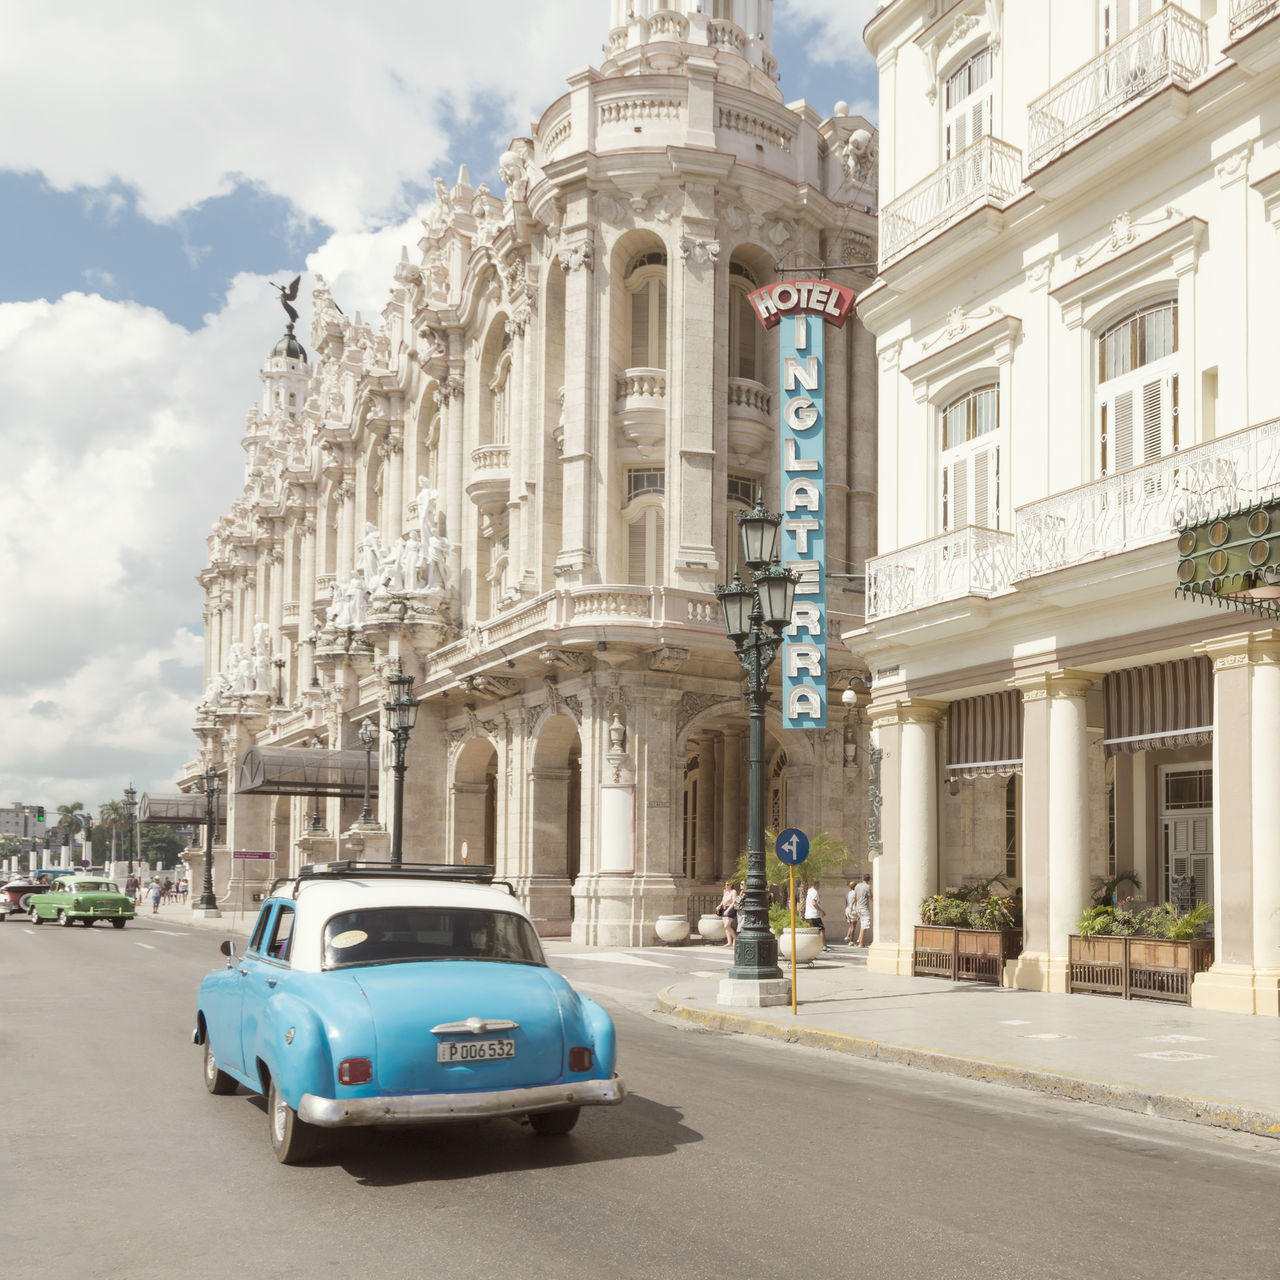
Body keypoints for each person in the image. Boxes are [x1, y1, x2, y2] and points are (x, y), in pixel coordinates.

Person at [804, 880, 830, 951]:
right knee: (822, 930)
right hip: (814, 915)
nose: (819, 886)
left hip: (808, 915)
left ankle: (816, 946)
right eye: (818, 884)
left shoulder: (809, 890)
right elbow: (814, 903)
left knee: (812, 932)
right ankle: (824, 946)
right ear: (815, 884)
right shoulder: (815, 892)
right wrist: (821, 911)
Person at [717, 879, 739, 948]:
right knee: (725, 927)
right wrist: (719, 905)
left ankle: (736, 939)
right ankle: (729, 942)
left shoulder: (733, 891)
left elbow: (734, 902)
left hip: (731, 908)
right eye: (725, 884)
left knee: (727, 925)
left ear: (731, 885)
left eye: (727, 884)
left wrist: (728, 910)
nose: (726, 886)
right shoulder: (725, 891)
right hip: (724, 908)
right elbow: (723, 900)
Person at [853, 873, 873, 948]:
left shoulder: (857, 886)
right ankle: (860, 943)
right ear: (869, 880)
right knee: (865, 925)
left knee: (863, 924)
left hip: (858, 908)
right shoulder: (867, 887)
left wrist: (854, 907)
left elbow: (854, 897)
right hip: (864, 908)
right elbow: (870, 897)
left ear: (863, 878)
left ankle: (859, 939)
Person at [844, 879, 858, 946]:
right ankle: (851, 941)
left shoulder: (847, 893)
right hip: (853, 910)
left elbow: (846, 902)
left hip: (847, 909)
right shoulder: (856, 893)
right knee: (853, 926)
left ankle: (847, 936)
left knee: (851, 925)